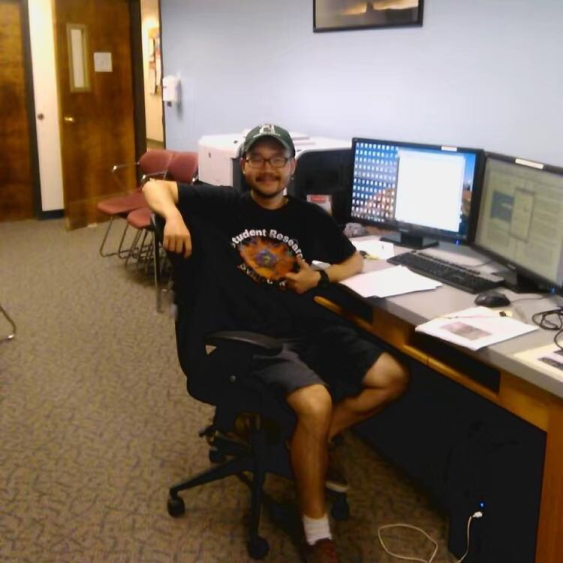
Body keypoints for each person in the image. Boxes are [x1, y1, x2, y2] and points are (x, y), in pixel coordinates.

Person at [143, 124, 409, 562]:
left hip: (308, 326)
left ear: (292, 166)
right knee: (316, 402)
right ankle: (317, 532)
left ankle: (311, 441)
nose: (268, 169)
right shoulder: (223, 204)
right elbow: (154, 187)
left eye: (277, 160)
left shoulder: (308, 217)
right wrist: (173, 216)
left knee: (392, 377)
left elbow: (353, 261)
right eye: (258, 159)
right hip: (254, 340)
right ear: (244, 165)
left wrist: (318, 277)